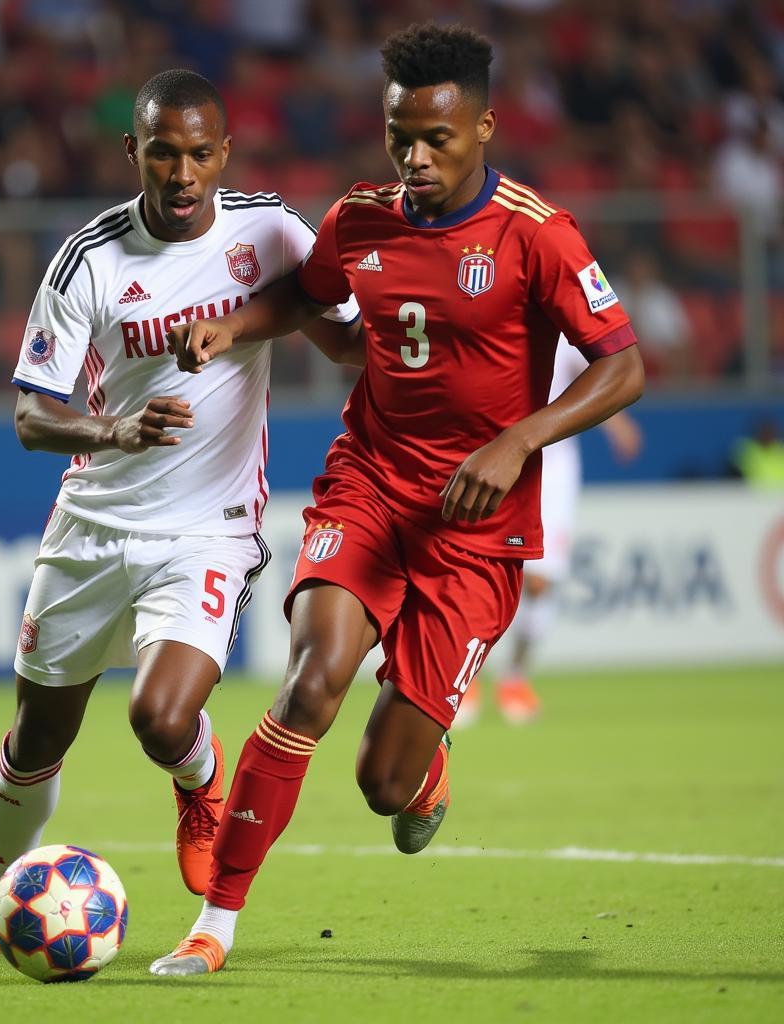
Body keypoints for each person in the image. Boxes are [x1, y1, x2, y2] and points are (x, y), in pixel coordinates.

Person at [150, 23, 645, 976]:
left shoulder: (536, 234)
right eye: (399, 136)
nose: (414, 158)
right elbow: (308, 297)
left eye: (437, 140)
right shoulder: (361, 217)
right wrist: (231, 327)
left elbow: (622, 366)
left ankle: (422, 770)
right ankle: (216, 924)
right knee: (310, 681)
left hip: (476, 523)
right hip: (371, 481)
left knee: (385, 783)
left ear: (485, 127)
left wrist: (519, 439)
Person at [0, 70, 360, 959]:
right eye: (163, 152)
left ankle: (199, 782)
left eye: (201, 153)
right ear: (133, 152)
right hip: (92, 524)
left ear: (225, 153)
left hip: (209, 527)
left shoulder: (271, 230)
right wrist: (115, 428)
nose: (183, 172)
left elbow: (339, 327)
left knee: (161, 717)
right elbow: (29, 415)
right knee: (37, 735)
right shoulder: (88, 259)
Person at [461, 336, 644, 725]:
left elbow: (598, 378)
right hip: (496, 458)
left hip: (554, 467)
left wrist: (618, 425)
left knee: (542, 581)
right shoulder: (495, 313)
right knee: (481, 572)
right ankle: (465, 677)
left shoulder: (562, 326)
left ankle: (514, 678)